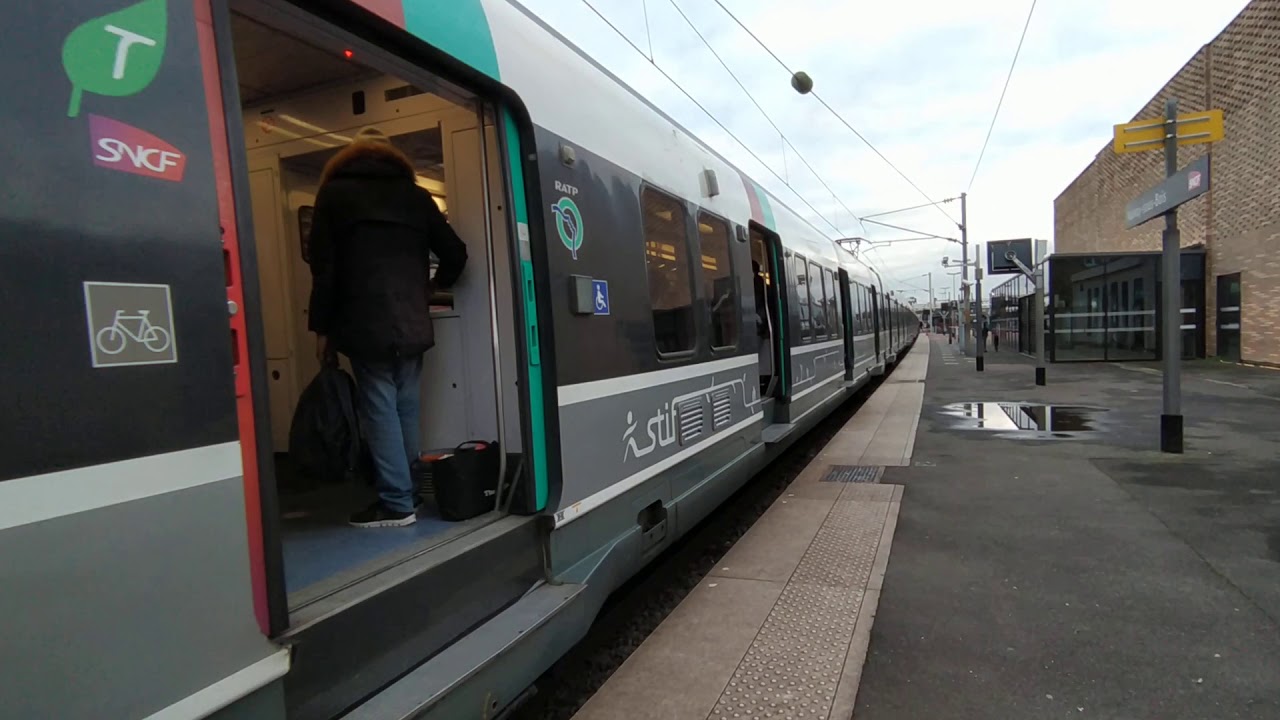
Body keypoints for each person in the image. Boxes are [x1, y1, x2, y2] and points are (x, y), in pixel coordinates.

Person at [307, 126, 468, 528]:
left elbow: (324, 270)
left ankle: (396, 503)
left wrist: (322, 329)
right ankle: (408, 493)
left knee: (379, 407)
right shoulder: (416, 196)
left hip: (363, 321)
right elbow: (455, 252)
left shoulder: (334, 195)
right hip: (411, 320)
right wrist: (431, 287)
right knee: (406, 406)